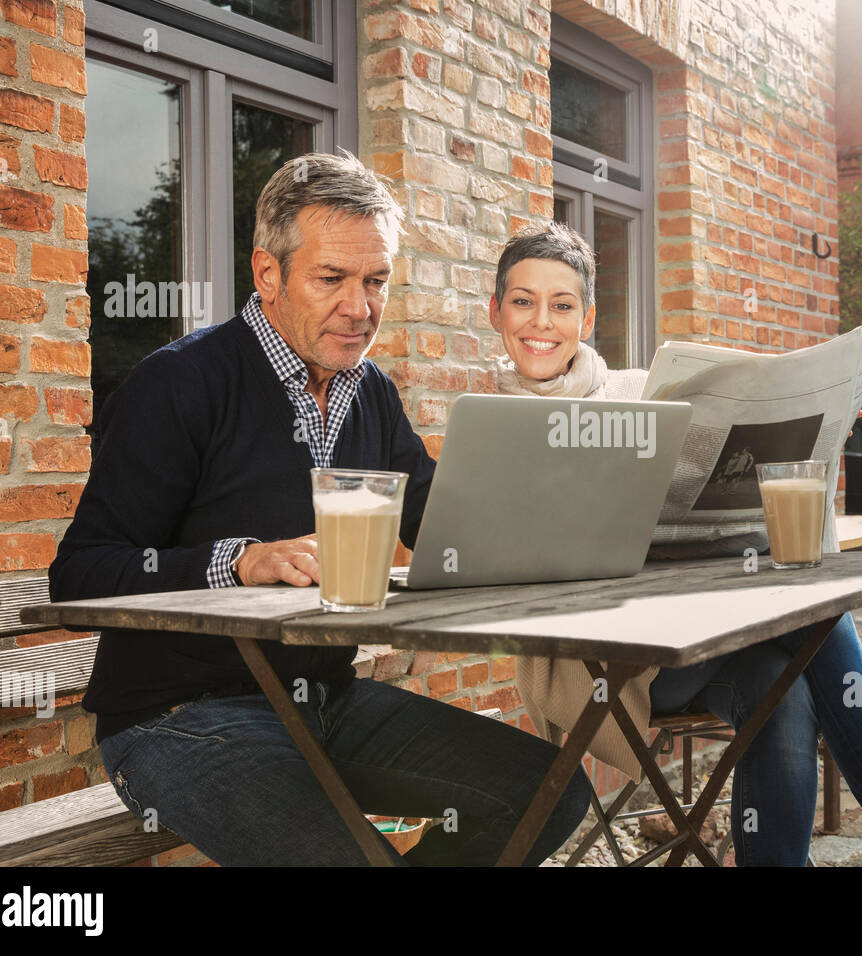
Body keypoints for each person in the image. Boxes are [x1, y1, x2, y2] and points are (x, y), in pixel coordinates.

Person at [50, 152, 591, 866]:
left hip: (326, 702)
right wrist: (237, 562)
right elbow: (80, 575)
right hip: (179, 718)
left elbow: (443, 525)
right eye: (332, 279)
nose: (360, 308)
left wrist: (570, 510)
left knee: (552, 793)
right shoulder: (181, 384)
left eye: (375, 282)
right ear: (267, 274)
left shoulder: (371, 394)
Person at [492, 222, 862, 867]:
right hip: (598, 660)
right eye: (523, 300)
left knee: (780, 678)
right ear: (496, 310)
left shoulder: (641, 395)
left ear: (588, 317)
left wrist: (817, 433)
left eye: (562, 304)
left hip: (695, 630)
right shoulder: (486, 424)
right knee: (811, 624)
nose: (541, 321)